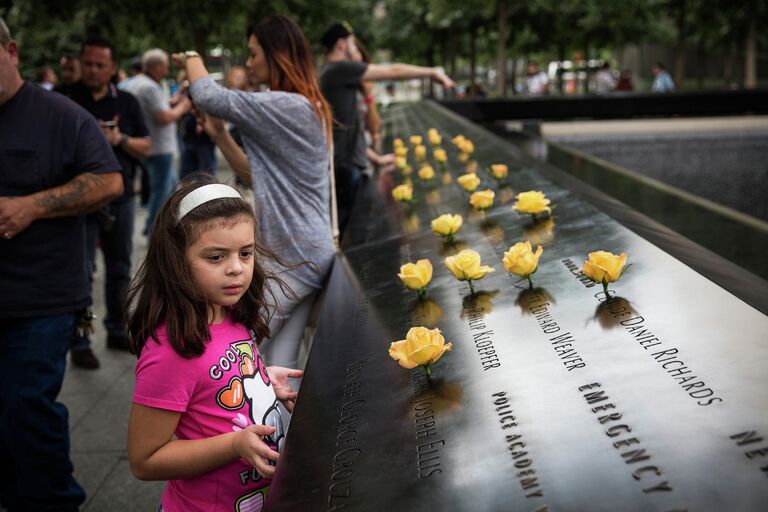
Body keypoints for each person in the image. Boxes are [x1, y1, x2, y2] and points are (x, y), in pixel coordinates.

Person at [0, 16, 123, 510]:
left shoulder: (60, 114)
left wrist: (32, 205)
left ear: (11, 52)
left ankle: (55, 502)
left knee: (27, 406)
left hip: (43, 296)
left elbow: (109, 182)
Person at [126, 178, 302, 512]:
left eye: (245, 253)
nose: (236, 268)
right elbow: (144, 460)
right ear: (177, 259)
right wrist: (234, 444)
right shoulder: (170, 350)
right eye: (216, 256)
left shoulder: (229, 312)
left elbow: (217, 379)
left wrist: (263, 380)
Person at [173, 15, 334, 372]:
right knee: (280, 361)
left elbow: (208, 94)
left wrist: (190, 58)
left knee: (229, 352)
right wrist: (219, 134)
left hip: (295, 255)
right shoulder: (301, 106)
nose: (248, 63)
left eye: (253, 53)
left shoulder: (289, 105)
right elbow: (254, 175)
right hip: (300, 252)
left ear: (276, 55)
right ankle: (280, 430)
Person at [55, 36, 151, 368]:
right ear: (80, 63)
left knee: (121, 268)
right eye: (89, 63)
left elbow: (147, 147)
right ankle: (79, 340)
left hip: (120, 200)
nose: (94, 70)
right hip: (78, 203)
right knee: (80, 271)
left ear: (112, 68)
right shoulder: (63, 100)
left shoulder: (126, 101)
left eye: (101, 65)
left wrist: (118, 138)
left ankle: (117, 330)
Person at [319, 21, 455, 232]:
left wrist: (376, 158)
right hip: (346, 168)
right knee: (354, 232)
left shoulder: (332, 72)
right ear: (341, 44)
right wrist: (431, 72)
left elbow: (346, 131)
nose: (356, 49)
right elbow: (393, 70)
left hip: (350, 165)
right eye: (353, 44)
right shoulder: (338, 69)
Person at [124, 48, 191, 234]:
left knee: (170, 189)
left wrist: (174, 100)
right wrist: (184, 106)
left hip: (151, 147)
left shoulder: (137, 83)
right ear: (154, 66)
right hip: (160, 148)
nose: (166, 71)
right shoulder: (149, 87)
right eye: (164, 67)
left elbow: (157, 108)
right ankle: (154, 230)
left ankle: (160, 227)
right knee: (161, 193)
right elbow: (164, 117)